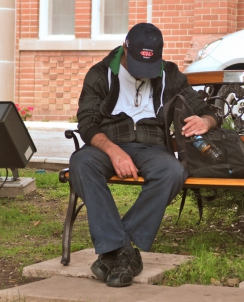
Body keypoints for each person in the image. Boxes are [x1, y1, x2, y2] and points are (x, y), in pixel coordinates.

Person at [69, 23, 219, 287]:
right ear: (125, 48)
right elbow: (87, 123)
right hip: (108, 145)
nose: (144, 74)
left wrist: (206, 121)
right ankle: (125, 251)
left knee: (173, 171)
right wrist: (113, 151)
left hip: (153, 148)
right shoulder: (100, 74)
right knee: (81, 162)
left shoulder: (170, 74)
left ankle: (116, 250)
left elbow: (208, 109)